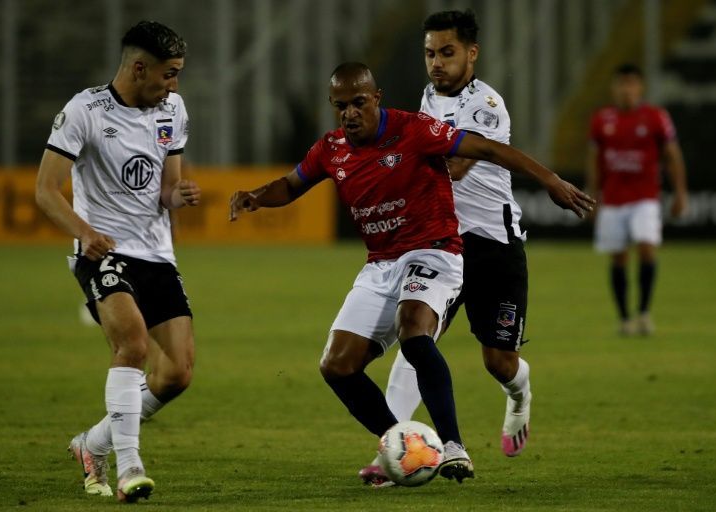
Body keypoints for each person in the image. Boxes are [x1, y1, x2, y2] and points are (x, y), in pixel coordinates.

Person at [229, 62, 593, 485]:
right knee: (336, 366)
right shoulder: (331, 149)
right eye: (341, 106)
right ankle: (400, 445)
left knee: (415, 332)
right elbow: (292, 184)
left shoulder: (415, 129)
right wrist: (256, 196)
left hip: (434, 250)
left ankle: (454, 447)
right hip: (380, 263)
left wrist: (550, 180)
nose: (350, 113)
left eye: (359, 103)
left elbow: (488, 149)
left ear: (376, 97)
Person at [367, 10, 540, 481]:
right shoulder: (428, 97)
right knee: (415, 340)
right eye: (430, 53)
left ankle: (520, 394)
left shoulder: (486, 106)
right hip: (443, 244)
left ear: (471, 53)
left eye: (447, 53)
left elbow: (454, 167)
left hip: (494, 247)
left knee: (499, 362)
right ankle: (391, 452)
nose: (436, 63)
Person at [35, 21, 200, 502]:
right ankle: (128, 467)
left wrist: (178, 195)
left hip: (156, 253)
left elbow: (167, 189)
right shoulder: (84, 110)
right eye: (169, 74)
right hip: (103, 250)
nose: (174, 85)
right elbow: (45, 191)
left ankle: (92, 444)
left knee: (178, 374)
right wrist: (83, 232)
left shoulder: (173, 108)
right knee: (131, 344)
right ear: (138, 67)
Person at [586, 64, 688, 336]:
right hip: (613, 199)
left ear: (640, 87)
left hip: (646, 197)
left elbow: (673, 155)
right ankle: (624, 318)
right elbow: (595, 161)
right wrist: (591, 196)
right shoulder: (601, 119)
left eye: (631, 84)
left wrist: (680, 192)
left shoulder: (656, 117)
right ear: (614, 88)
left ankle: (643, 312)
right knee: (618, 258)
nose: (626, 90)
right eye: (621, 84)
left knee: (646, 248)